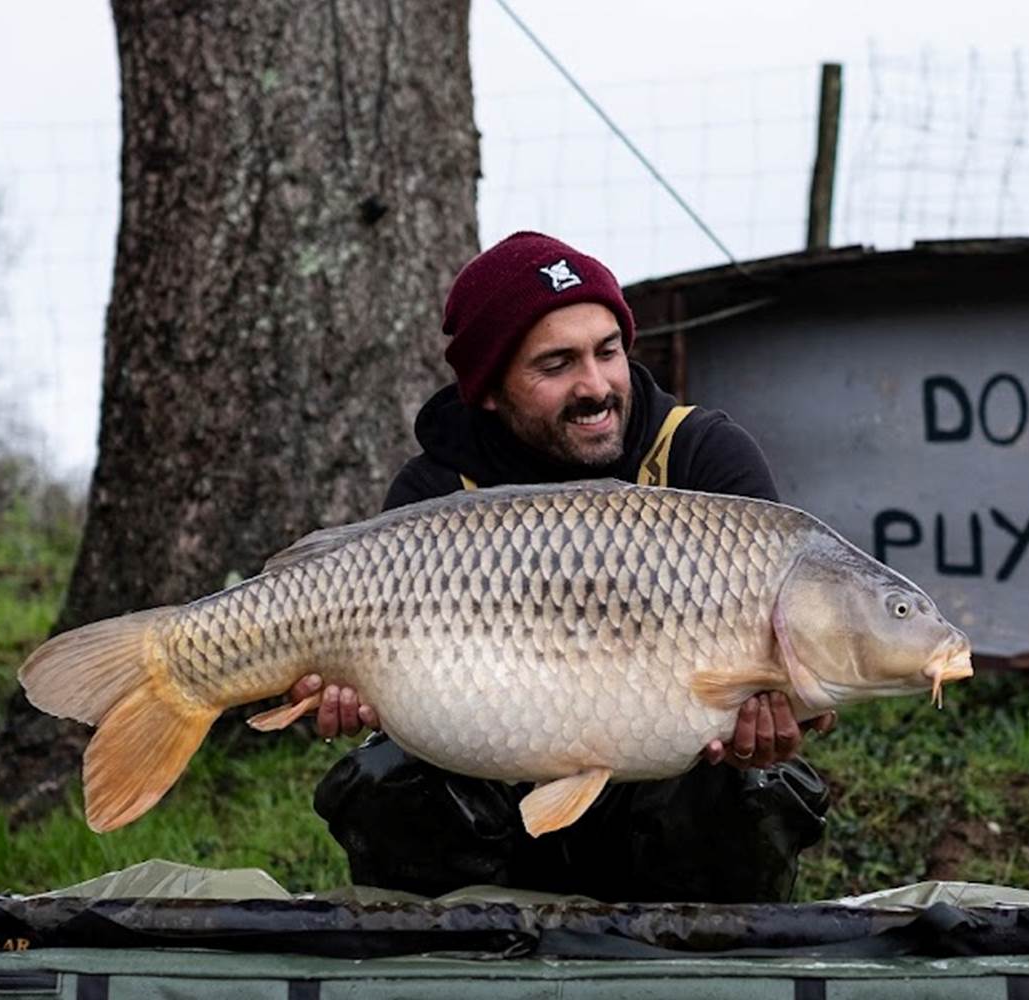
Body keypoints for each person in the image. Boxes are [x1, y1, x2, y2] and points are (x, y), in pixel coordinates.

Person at [281, 231, 836, 903]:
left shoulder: (703, 458)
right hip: (494, 778)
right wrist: (356, 695)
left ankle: (689, 956)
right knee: (385, 781)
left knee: (755, 785)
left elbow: (792, 666)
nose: (595, 386)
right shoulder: (435, 492)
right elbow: (405, 694)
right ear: (490, 389)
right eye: (557, 364)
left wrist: (792, 716)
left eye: (608, 351)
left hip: (664, 782)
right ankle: (462, 955)